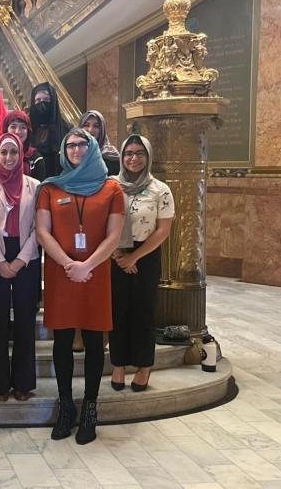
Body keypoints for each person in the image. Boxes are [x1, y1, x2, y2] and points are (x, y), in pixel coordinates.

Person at [35, 128, 124, 445]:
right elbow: (43, 232)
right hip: (62, 273)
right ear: (63, 150)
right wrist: (69, 264)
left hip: (96, 273)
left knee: (93, 338)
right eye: (70, 145)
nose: (75, 149)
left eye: (82, 144)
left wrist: (87, 265)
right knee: (61, 341)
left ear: (92, 148)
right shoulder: (50, 188)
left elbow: (113, 236)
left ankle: (90, 408)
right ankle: (66, 407)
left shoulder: (112, 189)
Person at [0, 134, 41, 402]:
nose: (8, 157)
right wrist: (0, 261)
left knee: (26, 321)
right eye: (4, 152)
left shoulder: (34, 185)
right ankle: (0, 383)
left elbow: (40, 228)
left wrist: (20, 260)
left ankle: (23, 383)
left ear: (21, 154)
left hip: (26, 257)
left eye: (13, 152)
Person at [110, 134, 175, 392]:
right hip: (115, 252)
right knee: (117, 311)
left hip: (146, 256)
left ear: (148, 157)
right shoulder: (111, 185)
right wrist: (119, 255)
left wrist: (134, 257)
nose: (133, 158)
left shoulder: (160, 189)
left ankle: (144, 366)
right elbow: (102, 222)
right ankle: (118, 364)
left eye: (139, 153)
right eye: (128, 153)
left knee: (143, 312)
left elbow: (163, 230)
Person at [0, 110, 46, 180]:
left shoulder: (36, 159)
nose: (17, 131)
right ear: (6, 130)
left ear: (28, 131)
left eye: (23, 127)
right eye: (13, 127)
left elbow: (37, 189)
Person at [28, 82, 69, 177]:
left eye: (46, 99)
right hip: (32, 181)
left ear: (53, 101)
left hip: (58, 180)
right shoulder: (27, 127)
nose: (42, 103)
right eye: (38, 100)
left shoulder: (66, 128)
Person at [80, 110, 120, 176]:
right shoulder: (74, 153)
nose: (90, 130)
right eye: (86, 125)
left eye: (96, 126)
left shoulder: (111, 156)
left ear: (102, 130)